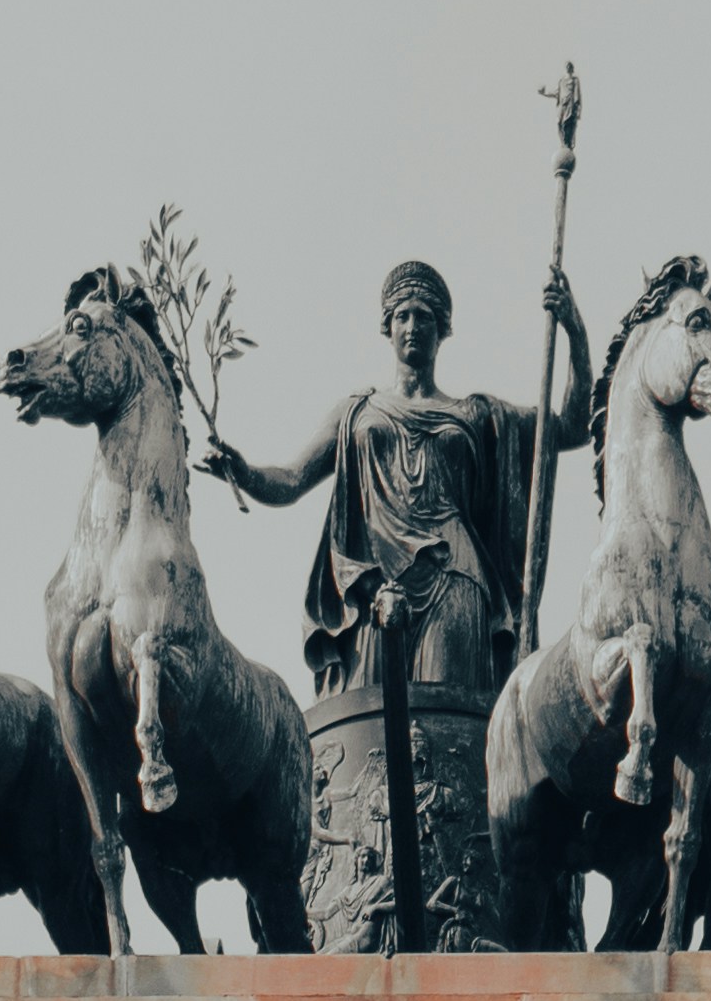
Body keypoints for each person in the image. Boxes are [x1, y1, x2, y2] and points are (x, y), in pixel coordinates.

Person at [204, 259, 596, 950]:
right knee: (370, 726)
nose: (413, 326)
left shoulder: (478, 415)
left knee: (449, 717)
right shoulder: (358, 411)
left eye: (424, 316)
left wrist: (573, 330)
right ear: (387, 328)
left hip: (456, 580)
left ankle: (472, 894)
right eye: (402, 315)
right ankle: (356, 901)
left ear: (443, 329)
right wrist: (239, 467)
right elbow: (292, 479)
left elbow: (570, 424)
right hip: (367, 593)